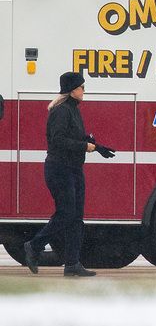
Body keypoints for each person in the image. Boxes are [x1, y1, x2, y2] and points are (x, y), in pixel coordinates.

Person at [23, 72, 116, 277]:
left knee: (76, 217)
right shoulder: (61, 111)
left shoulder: (73, 110)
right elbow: (57, 141)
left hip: (73, 169)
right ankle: (34, 246)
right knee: (66, 213)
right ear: (72, 89)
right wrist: (86, 146)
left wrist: (98, 147)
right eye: (82, 87)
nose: (84, 91)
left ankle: (72, 264)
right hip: (59, 169)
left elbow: (77, 136)